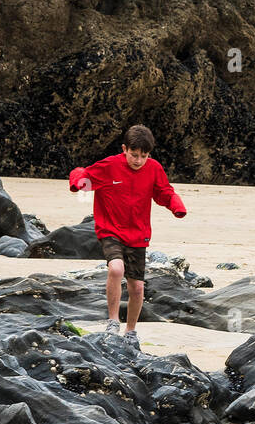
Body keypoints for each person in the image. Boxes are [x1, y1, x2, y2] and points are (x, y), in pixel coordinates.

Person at [69, 124, 186, 349]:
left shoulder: (153, 169)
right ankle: (113, 321)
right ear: (124, 149)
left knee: (137, 287)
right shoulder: (110, 166)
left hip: (138, 234)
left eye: (144, 156)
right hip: (110, 229)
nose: (138, 160)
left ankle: (131, 331)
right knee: (116, 269)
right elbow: (84, 175)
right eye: (134, 155)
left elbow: (164, 192)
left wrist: (176, 206)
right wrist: (77, 183)